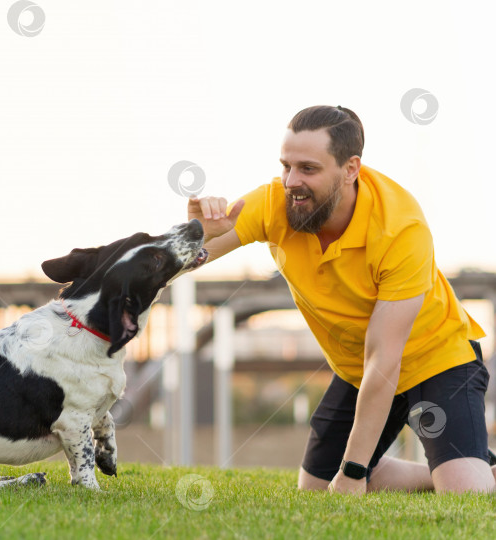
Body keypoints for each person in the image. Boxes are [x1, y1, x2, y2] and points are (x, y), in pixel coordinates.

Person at [188, 105, 493, 494]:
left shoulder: (401, 228)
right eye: (286, 166)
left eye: (308, 169)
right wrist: (195, 234)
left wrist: (352, 471)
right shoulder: (273, 203)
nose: (291, 181)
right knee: (314, 489)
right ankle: (450, 470)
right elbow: (187, 260)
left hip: (437, 358)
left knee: (465, 492)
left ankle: (465, 471)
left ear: (351, 169)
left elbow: (385, 359)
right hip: (358, 370)